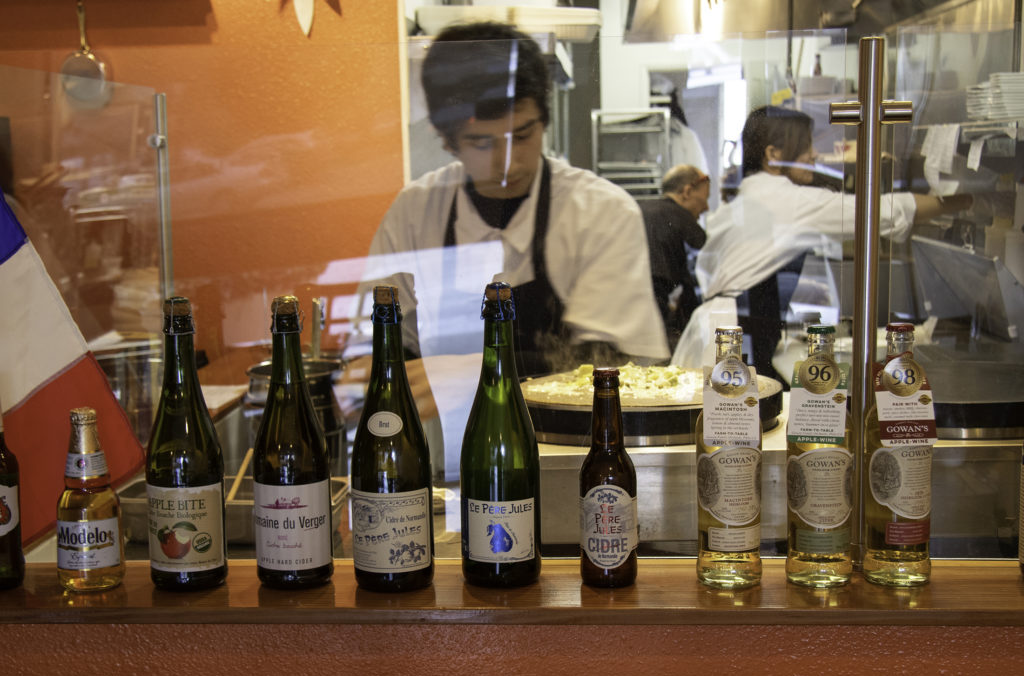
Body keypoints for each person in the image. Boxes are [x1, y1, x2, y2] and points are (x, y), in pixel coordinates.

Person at [357, 21, 669, 479]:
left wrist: (471, 376)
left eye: (522, 135)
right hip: (446, 472)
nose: (508, 163)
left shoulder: (599, 211)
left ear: (544, 119)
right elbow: (376, 343)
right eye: (482, 143)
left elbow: (614, 364)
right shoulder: (415, 212)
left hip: (569, 470)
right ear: (447, 141)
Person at [673, 105, 974, 380]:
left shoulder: (753, 193)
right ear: (774, 154)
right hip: (732, 338)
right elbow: (879, 211)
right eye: (805, 147)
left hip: (722, 329)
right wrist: (966, 201)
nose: (814, 155)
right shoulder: (784, 199)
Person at [640, 164, 710, 348]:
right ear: (687, 191)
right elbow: (703, 248)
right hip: (658, 301)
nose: (706, 207)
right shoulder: (681, 217)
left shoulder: (638, 208)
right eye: (705, 198)